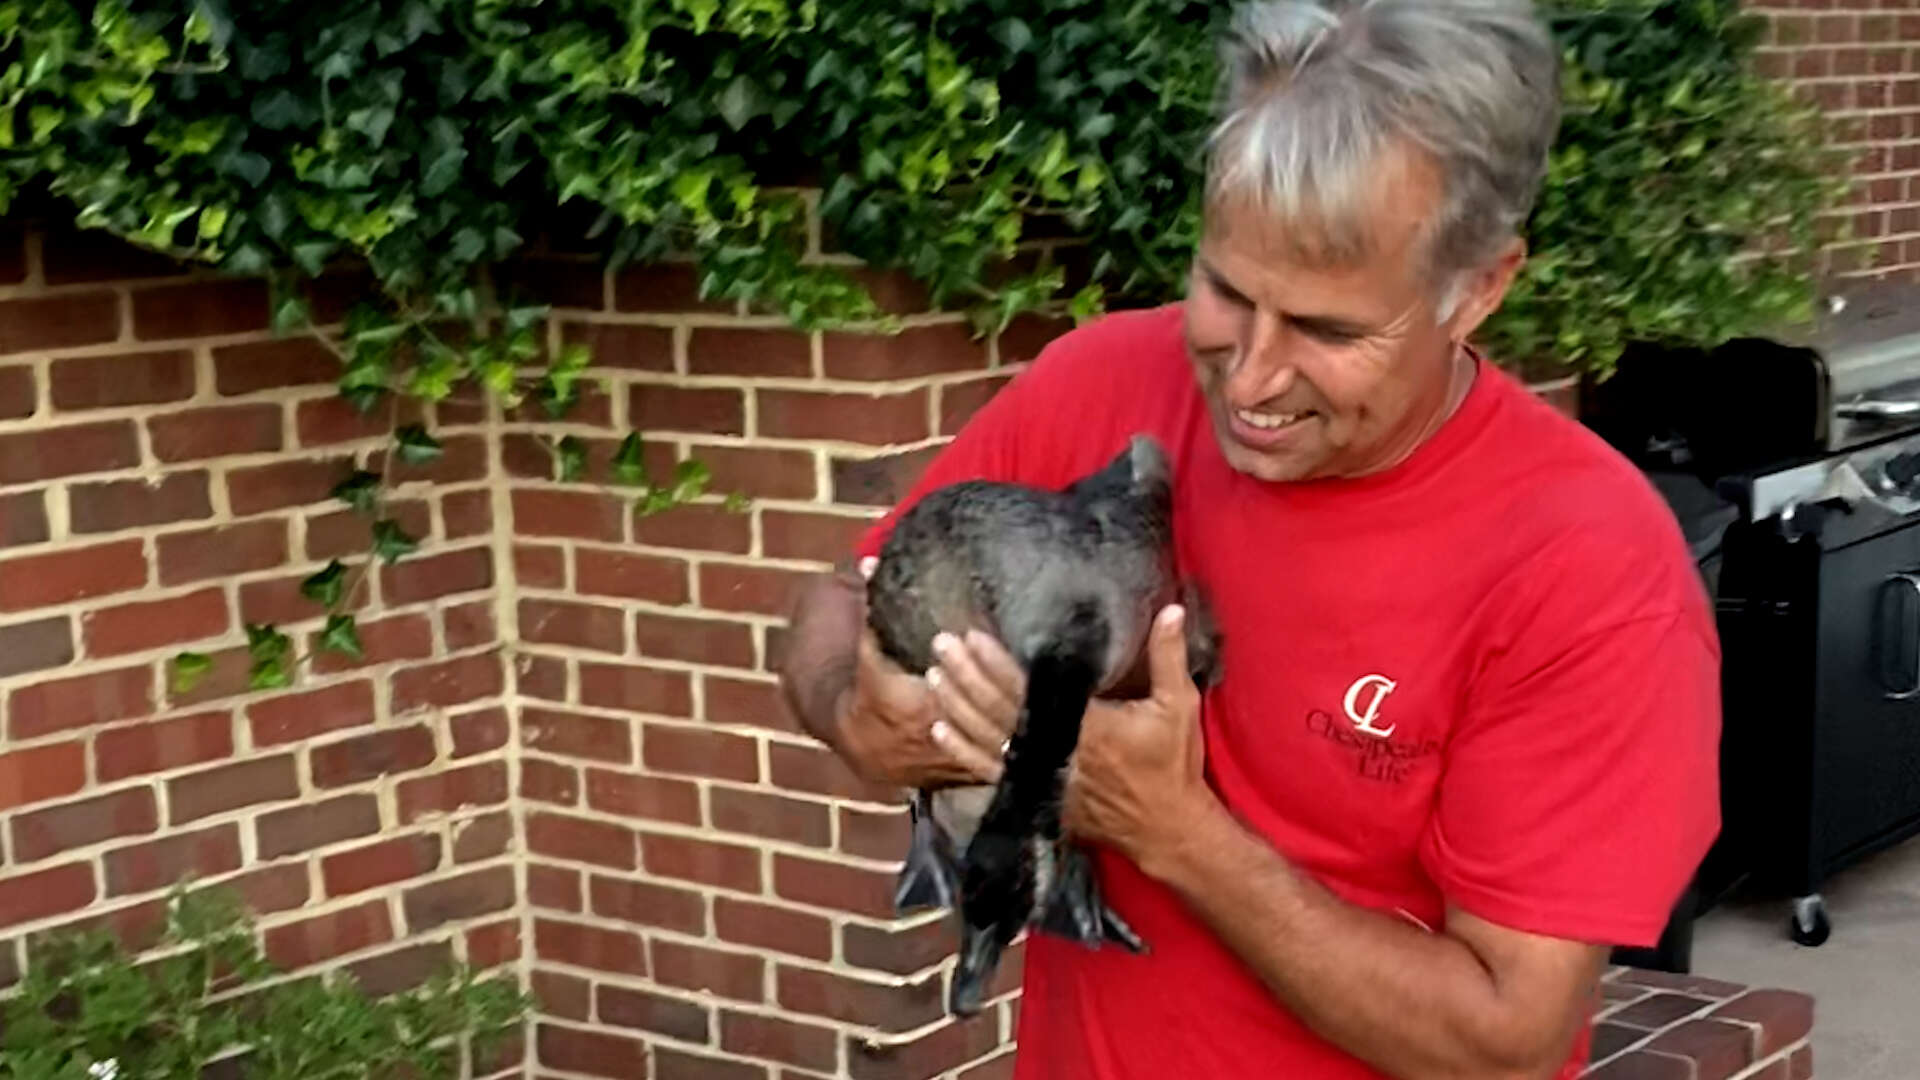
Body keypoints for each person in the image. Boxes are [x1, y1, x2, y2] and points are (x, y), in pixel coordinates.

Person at [775, 2, 1722, 1078]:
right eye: (1226, 290)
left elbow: (1504, 1042)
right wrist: (848, 707)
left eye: (1329, 331)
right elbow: (835, 600)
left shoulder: (1589, 574)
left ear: (1480, 290)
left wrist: (1178, 836)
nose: (1254, 378)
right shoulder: (1104, 385)